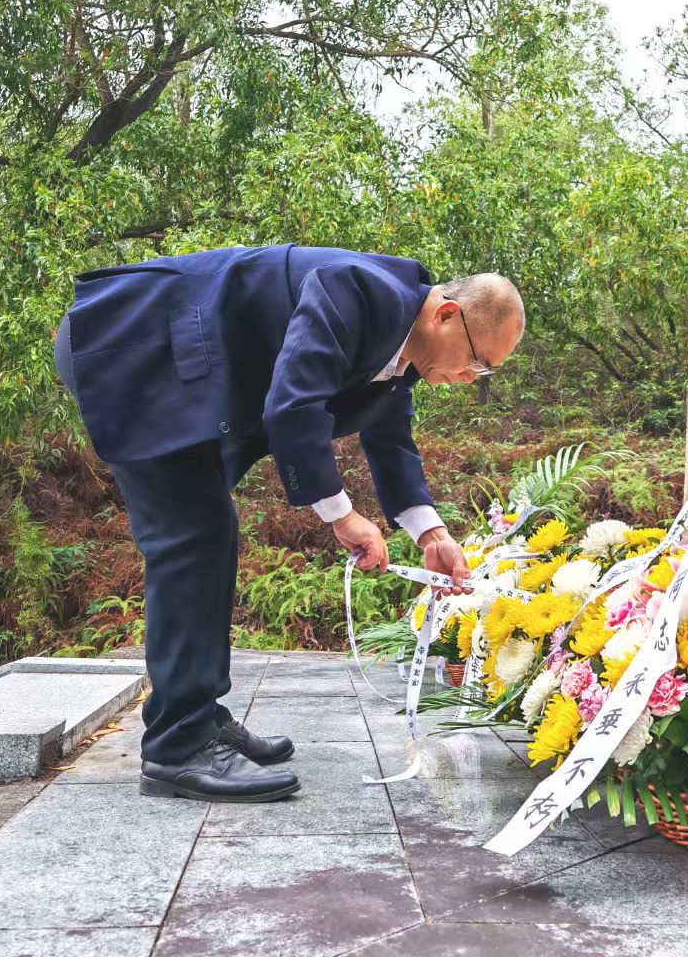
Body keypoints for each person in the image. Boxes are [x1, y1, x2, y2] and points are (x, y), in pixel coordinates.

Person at [52, 244, 525, 802]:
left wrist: (431, 533)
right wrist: (343, 517)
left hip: (183, 370)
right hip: (137, 350)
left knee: (209, 537)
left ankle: (198, 717)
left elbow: (391, 438)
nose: (473, 377)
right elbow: (293, 407)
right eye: (478, 360)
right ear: (446, 313)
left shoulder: (402, 340)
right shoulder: (357, 290)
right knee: (193, 540)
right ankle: (177, 748)